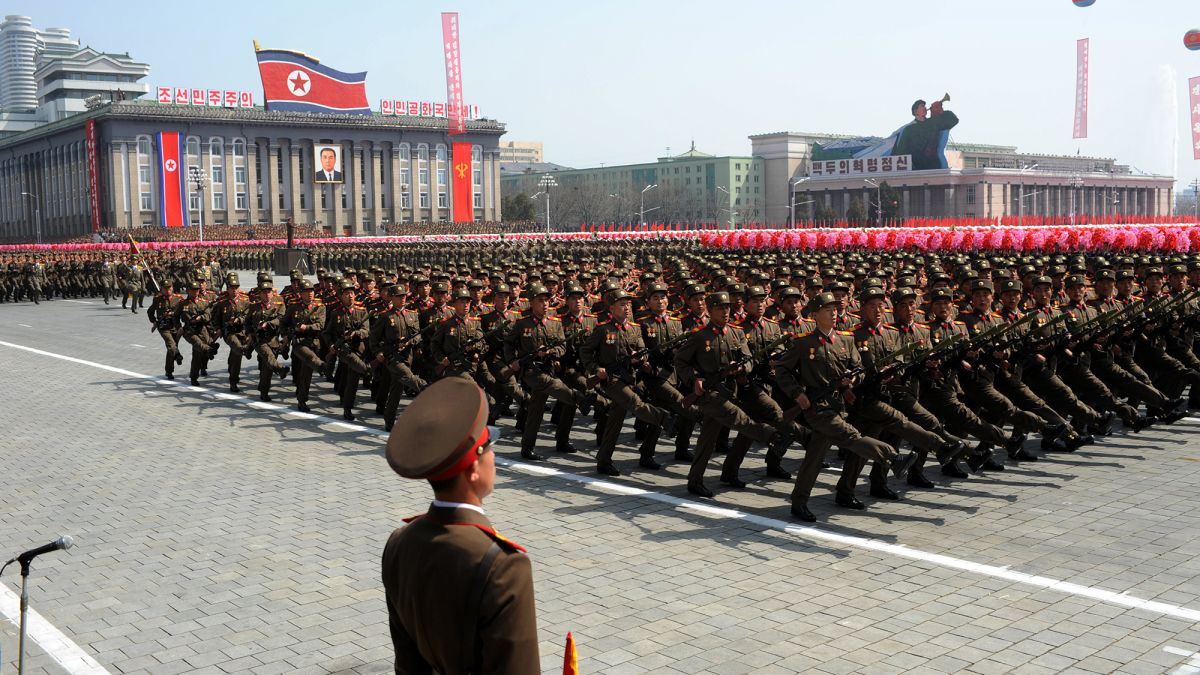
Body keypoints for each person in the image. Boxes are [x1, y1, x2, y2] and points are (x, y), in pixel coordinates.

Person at [382, 378, 540, 674]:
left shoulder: (399, 542)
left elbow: (407, 661)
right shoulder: (505, 566)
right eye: (489, 448)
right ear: (473, 470)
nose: (495, 457)